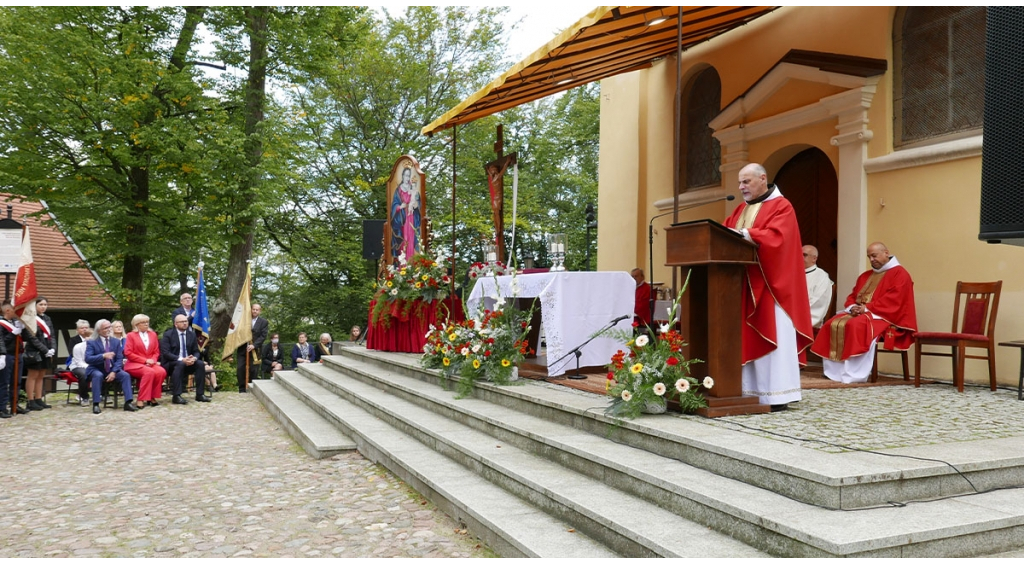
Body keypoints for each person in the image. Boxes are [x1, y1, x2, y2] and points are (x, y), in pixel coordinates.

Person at [724, 163, 813, 412]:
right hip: (746, 285)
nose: (741, 187)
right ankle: (747, 392)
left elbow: (778, 239)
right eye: (740, 183)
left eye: (746, 182)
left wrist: (746, 234)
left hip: (772, 288)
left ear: (763, 178)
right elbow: (722, 233)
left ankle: (776, 395)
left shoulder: (782, 206)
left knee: (773, 334)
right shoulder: (740, 208)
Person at [810, 242, 917, 384]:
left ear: (886, 252)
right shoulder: (865, 276)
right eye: (869, 257)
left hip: (886, 317)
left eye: (874, 256)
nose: (872, 260)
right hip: (863, 313)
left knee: (856, 325)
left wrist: (866, 308)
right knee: (832, 323)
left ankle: (853, 373)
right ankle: (834, 372)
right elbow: (853, 295)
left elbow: (895, 300)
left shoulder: (900, 274)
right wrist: (853, 306)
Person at [85, 319, 138, 414]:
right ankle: (96, 404)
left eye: (109, 327)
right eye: (106, 328)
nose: (109, 329)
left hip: (112, 369)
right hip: (96, 368)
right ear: (99, 331)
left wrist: (113, 372)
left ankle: (128, 402)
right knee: (97, 376)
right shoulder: (92, 342)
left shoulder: (115, 342)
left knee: (125, 375)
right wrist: (102, 356)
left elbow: (119, 359)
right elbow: (88, 359)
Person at [159, 314, 209, 404]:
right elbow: (166, 353)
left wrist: (194, 358)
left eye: (186, 321)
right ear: (176, 324)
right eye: (182, 322)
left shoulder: (191, 335)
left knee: (200, 364)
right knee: (180, 364)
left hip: (189, 362)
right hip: (172, 363)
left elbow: (196, 351)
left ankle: (200, 394)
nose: (185, 323)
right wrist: (182, 359)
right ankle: (176, 396)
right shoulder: (168, 335)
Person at [124, 314, 167, 406]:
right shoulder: (131, 335)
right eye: (143, 322)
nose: (146, 324)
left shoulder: (153, 334)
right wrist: (145, 361)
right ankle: (141, 398)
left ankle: (152, 397)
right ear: (136, 324)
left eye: (147, 322)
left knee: (161, 372)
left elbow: (156, 351)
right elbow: (128, 353)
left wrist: (152, 360)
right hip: (134, 363)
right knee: (149, 372)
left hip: (151, 363)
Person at [23, 297, 56, 411]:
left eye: (45, 305)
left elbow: (52, 335)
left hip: (46, 351)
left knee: (41, 375)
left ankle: (38, 398)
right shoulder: (30, 319)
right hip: (35, 351)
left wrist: (52, 348)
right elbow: (32, 338)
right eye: (41, 304)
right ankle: (30, 400)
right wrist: (44, 349)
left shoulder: (47, 318)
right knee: (33, 375)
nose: (43, 307)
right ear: (35, 306)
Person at [236, 303, 269, 393]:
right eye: (253, 309)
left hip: (255, 350)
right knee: (240, 369)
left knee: (254, 370)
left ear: (259, 311)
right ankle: (242, 389)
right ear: (251, 309)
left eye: (256, 310)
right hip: (243, 349)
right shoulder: (243, 320)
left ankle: (251, 388)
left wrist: (254, 345)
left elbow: (263, 336)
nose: (254, 311)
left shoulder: (264, 322)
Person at [390, 167, 421, 262]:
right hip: (402, 219)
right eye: (406, 175)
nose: (407, 178)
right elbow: (394, 205)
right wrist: (400, 207)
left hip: (412, 217)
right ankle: (403, 264)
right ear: (402, 176)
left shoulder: (413, 188)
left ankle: (412, 263)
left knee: (411, 238)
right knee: (404, 240)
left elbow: (418, 202)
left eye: (409, 176)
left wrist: (416, 204)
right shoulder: (398, 190)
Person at [0, 302, 25, 416]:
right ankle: (2, 407)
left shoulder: (15, 322)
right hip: (7, 354)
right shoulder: (1, 324)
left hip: (17, 354)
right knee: (4, 382)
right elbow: (2, 341)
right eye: (15, 310)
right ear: (7, 310)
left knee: (16, 381)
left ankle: (14, 404)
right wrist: (13, 333)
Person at [803, 245, 833, 329]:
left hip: (806, 322)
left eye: (804, 255)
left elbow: (817, 303)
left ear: (814, 258)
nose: (799, 257)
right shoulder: (793, 274)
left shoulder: (821, 277)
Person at [67, 319, 92, 405]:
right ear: (77, 330)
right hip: (77, 364)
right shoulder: (74, 341)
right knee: (83, 373)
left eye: (86, 328)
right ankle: (84, 397)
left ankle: (103, 394)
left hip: (91, 363)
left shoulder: (94, 341)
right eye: (82, 328)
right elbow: (74, 356)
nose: (84, 329)